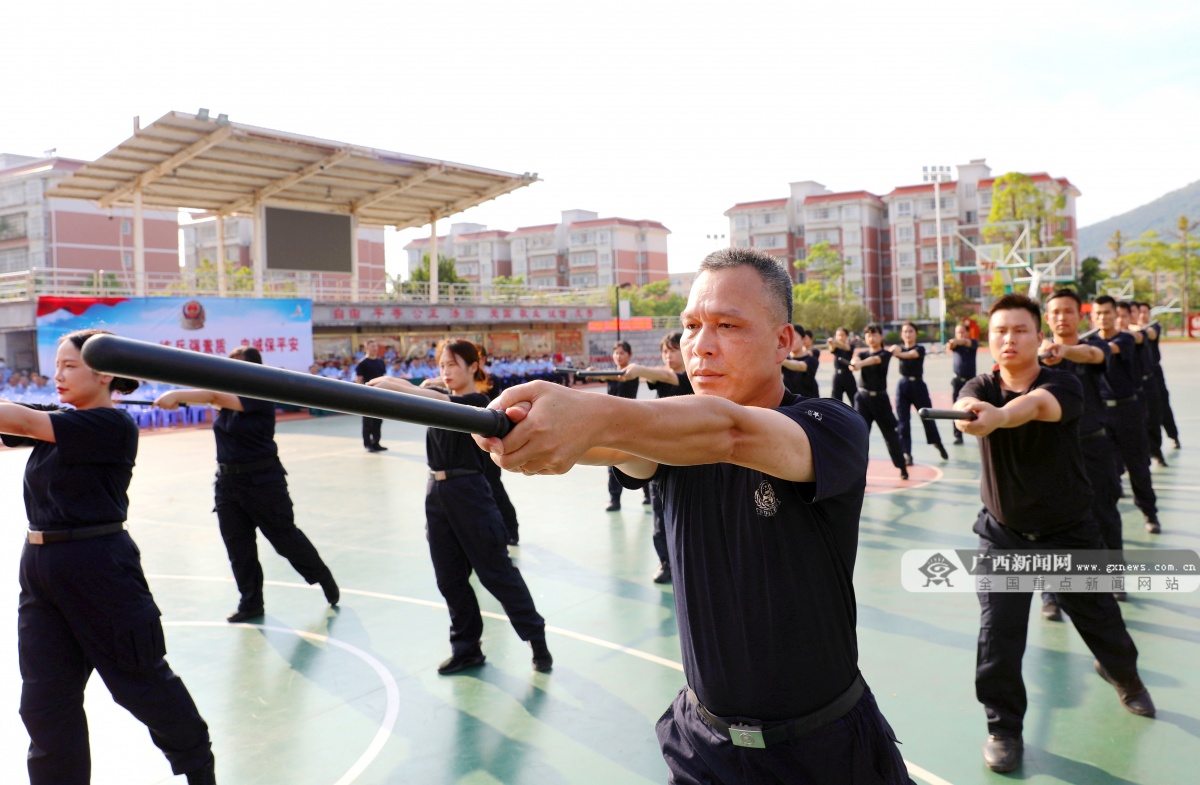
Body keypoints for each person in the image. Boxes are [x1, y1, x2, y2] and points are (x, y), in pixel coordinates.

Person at [474, 248, 910, 784]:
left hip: (824, 753)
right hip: (704, 751)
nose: (701, 346)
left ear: (782, 341)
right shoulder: (668, 439)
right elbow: (613, 444)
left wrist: (592, 412)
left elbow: (731, 432)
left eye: (727, 325)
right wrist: (513, 428)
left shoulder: (827, 427)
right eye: (690, 326)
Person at [0, 329, 216, 785]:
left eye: (70, 365)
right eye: (56, 365)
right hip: (39, 571)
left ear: (105, 374)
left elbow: (18, 422)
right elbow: (11, 426)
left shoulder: (111, 426)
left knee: (141, 684)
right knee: (44, 701)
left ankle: (199, 767)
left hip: (98, 567)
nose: (57, 374)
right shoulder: (60, 418)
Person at [953, 294, 1153, 774]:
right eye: (1000, 330)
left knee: (1102, 620)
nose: (1009, 338)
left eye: (1020, 329)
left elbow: (1036, 407)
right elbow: (967, 403)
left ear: (1038, 336)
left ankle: (1124, 675)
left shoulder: (1061, 384)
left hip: (1068, 533)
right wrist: (972, 412)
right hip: (1004, 537)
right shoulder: (979, 384)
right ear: (990, 340)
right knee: (997, 637)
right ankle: (1003, 728)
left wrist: (1001, 417)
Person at [368, 339, 552, 675]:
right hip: (435, 493)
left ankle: (536, 639)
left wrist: (399, 385)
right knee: (449, 577)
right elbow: (434, 397)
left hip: (469, 493)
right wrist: (413, 388)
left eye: (453, 365)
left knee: (496, 572)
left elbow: (445, 402)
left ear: (473, 366)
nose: (446, 372)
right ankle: (466, 648)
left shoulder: (478, 402)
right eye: (441, 366)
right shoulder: (439, 397)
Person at [154, 346, 340, 623]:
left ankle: (321, 576)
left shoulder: (260, 393)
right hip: (227, 482)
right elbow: (213, 398)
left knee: (284, 538)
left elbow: (213, 396)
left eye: (237, 366)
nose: (230, 371)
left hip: (263, 480)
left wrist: (176, 395)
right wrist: (179, 400)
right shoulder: (227, 399)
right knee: (238, 547)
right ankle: (251, 603)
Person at [1039, 289, 1124, 619]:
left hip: (1093, 446)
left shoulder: (1095, 346)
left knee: (1105, 513)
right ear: (1047, 319)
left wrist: (1065, 351)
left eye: (1068, 311)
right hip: (1051, 451)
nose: (1062, 317)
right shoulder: (1037, 356)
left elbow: (1092, 356)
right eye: (1055, 312)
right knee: (1049, 522)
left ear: (1081, 316)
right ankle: (1051, 594)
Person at [619, 331, 694, 584]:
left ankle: (687, 561)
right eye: (664, 352)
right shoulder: (662, 377)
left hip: (688, 453)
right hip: (660, 452)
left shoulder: (686, 379)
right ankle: (666, 562)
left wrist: (638, 367)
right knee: (660, 514)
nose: (668, 356)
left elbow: (665, 375)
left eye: (672, 351)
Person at [1093, 296, 1160, 533]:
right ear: (1093, 316)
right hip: (1100, 414)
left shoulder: (1126, 339)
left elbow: (1107, 350)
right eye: (1098, 313)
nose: (1104, 318)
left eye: (1109, 313)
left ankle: (1149, 513)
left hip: (1128, 410)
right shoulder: (1089, 342)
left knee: (1138, 466)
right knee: (1104, 472)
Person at [590, 341, 649, 512]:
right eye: (616, 353)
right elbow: (604, 376)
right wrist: (595, 374)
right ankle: (614, 499)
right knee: (613, 462)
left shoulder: (631, 372)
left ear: (629, 355)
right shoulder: (610, 372)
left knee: (640, 459)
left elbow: (619, 376)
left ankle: (647, 493)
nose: (618, 356)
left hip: (631, 423)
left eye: (622, 353)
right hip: (612, 424)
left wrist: (600, 374)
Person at [851, 324, 909, 480]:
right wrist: (855, 361)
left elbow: (875, 360)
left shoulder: (884, 354)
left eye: (874, 334)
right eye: (868, 335)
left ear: (880, 336)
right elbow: (856, 358)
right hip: (862, 399)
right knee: (860, 436)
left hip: (880, 400)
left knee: (891, 435)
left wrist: (860, 364)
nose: (871, 338)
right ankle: (859, 475)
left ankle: (902, 467)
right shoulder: (861, 354)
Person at [890, 322, 948, 464]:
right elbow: (894, 349)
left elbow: (910, 355)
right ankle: (907, 454)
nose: (908, 334)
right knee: (903, 422)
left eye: (911, 331)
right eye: (905, 331)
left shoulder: (919, 348)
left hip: (918, 386)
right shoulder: (899, 348)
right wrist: (894, 349)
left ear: (916, 333)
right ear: (902, 334)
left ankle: (937, 443)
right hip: (903, 385)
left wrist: (898, 353)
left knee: (927, 418)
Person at [1135, 302, 1179, 450]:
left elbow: (1150, 335)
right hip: (1138, 377)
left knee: (1164, 407)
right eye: (1139, 312)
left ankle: (1173, 436)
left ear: (1149, 314)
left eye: (1145, 312)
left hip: (1155, 374)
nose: (1142, 315)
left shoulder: (1153, 327)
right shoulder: (1128, 334)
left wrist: (1135, 330)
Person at [945, 322, 979, 445]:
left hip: (971, 381)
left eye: (962, 332)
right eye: (957, 332)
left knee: (974, 408)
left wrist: (958, 341)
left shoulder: (972, 343)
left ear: (967, 333)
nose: (960, 335)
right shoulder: (956, 346)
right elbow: (950, 347)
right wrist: (951, 343)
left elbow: (966, 342)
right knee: (956, 409)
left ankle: (978, 433)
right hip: (958, 381)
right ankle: (958, 436)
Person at [355, 339, 388, 452]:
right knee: (368, 421)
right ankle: (367, 444)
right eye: (372, 346)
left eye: (376, 346)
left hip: (379, 395)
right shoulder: (362, 363)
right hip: (367, 395)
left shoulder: (380, 362)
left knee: (378, 420)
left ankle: (376, 442)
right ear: (366, 348)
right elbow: (359, 380)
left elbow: (383, 377)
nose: (375, 348)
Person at [826, 327, 858, 404]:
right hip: (837, 376)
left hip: (848, 375)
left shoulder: (850, 346)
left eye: (842, 335)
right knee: (835, 401)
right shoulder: (836, 347)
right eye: (838, 335)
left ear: (847, 336)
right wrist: (831, 343)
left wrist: (835, 342)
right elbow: (832, 349)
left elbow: (845, 347)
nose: (840, 337)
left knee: (855, 399)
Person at [779, 323, 808, 395]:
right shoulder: (783, 358)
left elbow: (800, 366)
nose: (790, 342)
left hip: (808, 401)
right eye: (787, 339)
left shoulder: (811, 358)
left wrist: (780, 359)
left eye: (794, 338)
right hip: (788, 403)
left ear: (803, 339)